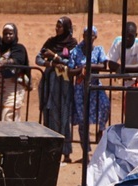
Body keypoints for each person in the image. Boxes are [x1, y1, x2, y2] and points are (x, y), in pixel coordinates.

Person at [36, 17, 78, 162]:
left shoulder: (73, 44)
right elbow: (38, 59)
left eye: (60, 26)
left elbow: (72, 61)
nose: (57, 29)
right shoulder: (50, 42)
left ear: (66, 27)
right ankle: (51, 150)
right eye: (56, 26)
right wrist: (52, 64)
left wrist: (54, 56)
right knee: (50, 114)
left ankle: (66, 152)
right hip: (50, 82)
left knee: (64, 115)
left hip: (64, 84)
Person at [67, 26, 111, 157]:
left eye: (91, 35)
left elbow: (103, 65)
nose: (88, 38)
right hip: (81, 89)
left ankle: (101, 129)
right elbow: (70, 70)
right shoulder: (76, 51)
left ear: (95, 37)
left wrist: (87, 67)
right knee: (82, 120)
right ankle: (85, 151)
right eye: (86, 35)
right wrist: (80, 71)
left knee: (105, 106)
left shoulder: (98, 50)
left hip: (95, 86)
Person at [0, 23, 28, 121]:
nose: (8, 36)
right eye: (5, 34)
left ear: (15, 34)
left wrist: (6, 62)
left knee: (8, 116)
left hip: (13, 88)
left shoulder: (19, 49)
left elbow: (18, 60)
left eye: (10, 34)